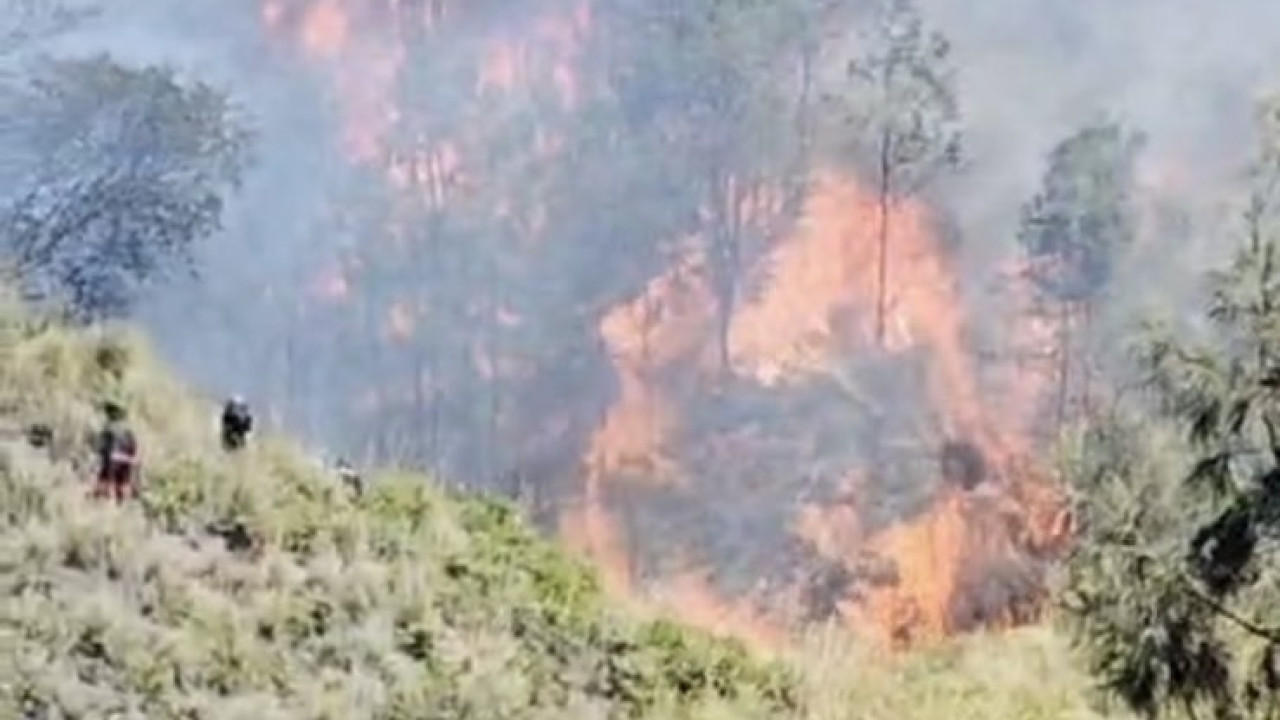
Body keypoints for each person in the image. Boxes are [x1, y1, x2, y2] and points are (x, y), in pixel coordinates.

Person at [93, 400, 139, 503]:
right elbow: (134, 454)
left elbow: (104, 451)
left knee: (105, 490)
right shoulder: (129, 433)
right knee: (120, 492)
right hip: (124, 468)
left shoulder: (108, 431)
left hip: (110, 468)